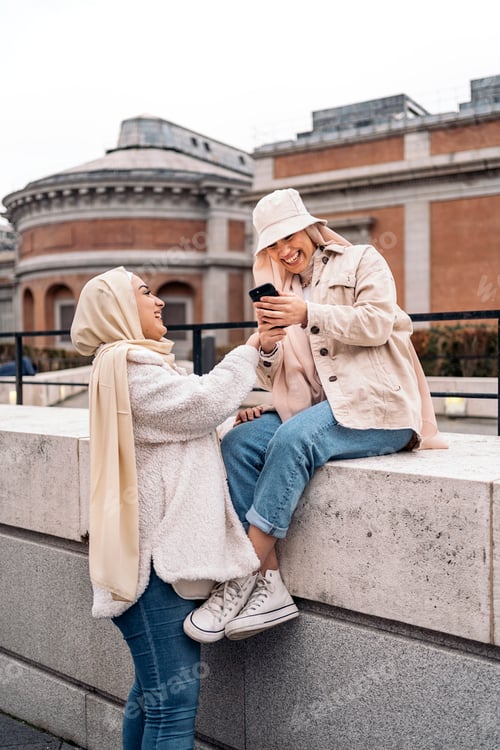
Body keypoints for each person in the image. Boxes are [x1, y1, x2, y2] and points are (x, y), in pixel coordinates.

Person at [184, 187, 447, 644]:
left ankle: (241, 575)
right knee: (239, 443)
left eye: (290, 237)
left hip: (377, 406)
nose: (285, 251)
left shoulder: (361, 259)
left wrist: (309, 312)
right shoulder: (281, 290)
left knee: (293, 440)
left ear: (309, 227)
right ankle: (271, 584)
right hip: (320, 410)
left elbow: (378, 322)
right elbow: (282, 376)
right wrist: (266, 345)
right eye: (273, 245)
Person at [70, 266, 262, 750]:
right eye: (144, 292)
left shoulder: (131, 368)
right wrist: (251, 348)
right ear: (116, 310)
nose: (158, 301)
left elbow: (174, 432)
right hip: (152, 572)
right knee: (172, 709)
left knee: (150, 697)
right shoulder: (131, 369)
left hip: (151, 561)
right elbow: (201, 403)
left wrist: (224, 422)